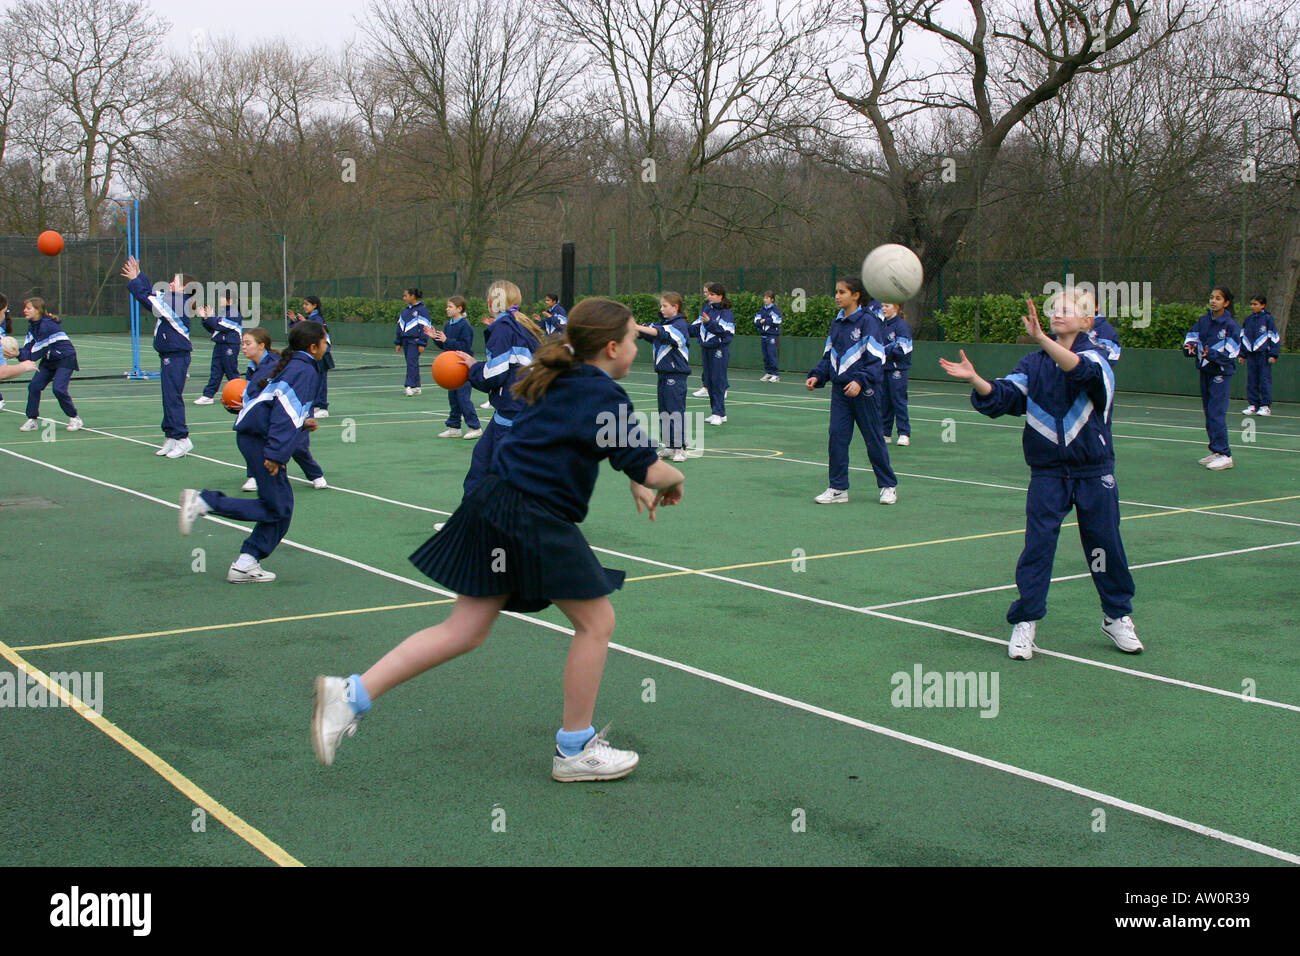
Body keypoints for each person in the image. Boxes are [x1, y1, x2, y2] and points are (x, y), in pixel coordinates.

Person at [310, 298, 685, 780]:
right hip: (533, 515)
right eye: (634, 338)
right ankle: (575, 749)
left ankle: (350, 695)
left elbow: (600, 446)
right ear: (612, 347)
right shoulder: (600, 393)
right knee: (597, 623)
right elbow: (650, 466)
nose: (638, 346)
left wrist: (637, 473)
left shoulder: (556, 374)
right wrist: (672, 479)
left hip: (493, 504)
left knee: (464, 629)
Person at [940, 291, 1139, 660]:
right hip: (1048, 474)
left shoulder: (1098, 357)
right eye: (1054, 309)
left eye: (1068, 310)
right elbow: (1004, 398)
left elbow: (1082, 372)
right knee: (1038, 547)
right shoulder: (1033, 364)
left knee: (1104, 546)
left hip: (1094, 472)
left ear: (1086, 322)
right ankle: (1026, 622)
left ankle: (1116, 616)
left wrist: (1043, 340)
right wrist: (976, 380)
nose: (1058, 314)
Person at [178, 322, 328, 583]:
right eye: (325, 341)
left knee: (279, 507)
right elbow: (282, 413)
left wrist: (302, 422)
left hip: (257, 437)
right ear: (313, 346)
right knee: (278, 508)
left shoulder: (294, 365)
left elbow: (274, 403)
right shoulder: (304, 370)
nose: (327, 346)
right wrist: (275, 454)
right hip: (262, 442)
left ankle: (246, 563)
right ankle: (205, 502)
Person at [806, 278, 898, 505]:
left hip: (865, 393)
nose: (837, 296)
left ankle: (888, 486)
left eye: (842, 292)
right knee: (837, 438)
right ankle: (838, 488)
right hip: (840, 393)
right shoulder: (837, 323)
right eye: (836, 292)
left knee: (874, 439)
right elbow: (829, 357)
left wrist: (861, 382)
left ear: (856, 295)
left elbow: (876, 359)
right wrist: (818, 375)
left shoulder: (869, 322)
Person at [458, 280, 542, 499]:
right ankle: (471, 520)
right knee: (483, 464)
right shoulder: (522, 327)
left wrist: (473, 367)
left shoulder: (503, 330)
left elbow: (494, 375)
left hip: (515, 414)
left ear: (489, 302)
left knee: (503, 474)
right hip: (518, 412)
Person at [237, 327, 327, 492]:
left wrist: (305, 420)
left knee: (298, 447)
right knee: (276, 505)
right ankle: (252, 478)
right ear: (313, 347)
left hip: (266, 426)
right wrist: (275, 454)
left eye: (248, 343)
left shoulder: (288, 366)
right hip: (258, 429)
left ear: (261, 345)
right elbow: (277, 407)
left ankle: (315, 474)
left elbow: (286, 404)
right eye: (243, 343)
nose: (244, 347)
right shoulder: (300, 369)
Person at [122, 256, 195, 457]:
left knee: (173, 397)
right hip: (169, 356)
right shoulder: (173, 299)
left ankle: (183, 438)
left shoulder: (178, 302)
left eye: (175, 282)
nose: (170, 283)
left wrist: (135, 280)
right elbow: (152, 293)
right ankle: (171, 436)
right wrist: (139, 275)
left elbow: (148, 299)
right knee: (168, 397)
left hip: (177, 356)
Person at [1182, 287, 1241, 470]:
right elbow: (1191, 338)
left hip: (1221, 374)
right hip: (1205, 372)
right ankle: (1216, 450)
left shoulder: (1230, 325)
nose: (1213, 301)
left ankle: (1225, 454)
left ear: (1226, 303)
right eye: (1211, 297)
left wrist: (1211, 354)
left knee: (1217, 413)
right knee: (1209, 413)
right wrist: (1190, 347)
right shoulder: (1203, 320)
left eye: (1218, 298)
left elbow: (1231, 352)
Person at [636, 292, 691, 462]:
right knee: (664, 411)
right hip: (663, 374)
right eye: (661, 306)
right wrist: (632, 327)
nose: (662, 309)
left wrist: (636, 326)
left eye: (665, 306)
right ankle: (669, 445)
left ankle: (680, 447)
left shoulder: (679, 325)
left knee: (675, 410)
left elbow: (663, 334)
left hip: (676, 375)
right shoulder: (662, 324)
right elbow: (650, 332)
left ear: (676, 307)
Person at [16, 298, 82, 432]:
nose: (24, 310)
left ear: (38, 310)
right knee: (34, 386)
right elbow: (29, 347)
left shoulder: (47, 326)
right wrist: (16, 352)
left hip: (65, 358)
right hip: (49, 358)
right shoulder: (32, 325)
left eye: (28, 308)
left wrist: (16, 354)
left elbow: (35, 352)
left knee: (58, 389)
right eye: (25, 308)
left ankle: (75, 418)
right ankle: (32, 420)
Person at [430, 295, 482, 439]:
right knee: (453, 397)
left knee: (463, 398)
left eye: (450, 307)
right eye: (447, 306)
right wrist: (435, 337)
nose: (447, 309)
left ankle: (475, 426)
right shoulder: (448, 325)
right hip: (451, 368)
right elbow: (445, 345)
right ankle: (454, 427)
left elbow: (464, 347)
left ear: (459, 309)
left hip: (463, 367)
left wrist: (448, 340)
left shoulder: (465, 326)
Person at [690, 282, 734, 425]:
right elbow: (698, 324)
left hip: (719, 350)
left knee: (717, 381)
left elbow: (725, 331)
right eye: (708, 294)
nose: (708, 297)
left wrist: (709, 323)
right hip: (706, 348)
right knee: (708, 381)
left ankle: (718, 413)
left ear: (720, 296)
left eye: (712, 294)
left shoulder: (726, 312)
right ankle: (717, 413)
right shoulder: (707, 308)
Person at [194, 290, 243, 406]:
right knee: (215, 371)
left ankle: (241, 394)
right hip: (220, 345)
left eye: (222, 298)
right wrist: (205, 318)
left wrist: (210, 317)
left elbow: (220, 325)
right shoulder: (223, 312)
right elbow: (213, 329)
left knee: (231, 371)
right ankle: (208, 395)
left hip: (230, 345)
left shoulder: (234, 313)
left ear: (230, 300)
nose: (219, 300)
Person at [289, 296, 333, 417]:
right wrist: (295, 322)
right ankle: (315, 405)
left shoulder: (317, 319)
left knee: (321, 381)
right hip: (314, 353)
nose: (304, 306)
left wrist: (304, 323)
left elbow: (315, 332)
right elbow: (301, 332)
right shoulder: (310, 319)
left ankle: (322, 407)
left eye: (307, 304)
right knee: (313, 380)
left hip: (322, 354)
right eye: (304, 304)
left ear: (314, 306)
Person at [1239, 295, 1279, 416]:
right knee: (1251, 381)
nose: (1252, 306)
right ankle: (1253, 405)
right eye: (1251, 304)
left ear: (1263, 305)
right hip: (1251, 355)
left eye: (1255, 304)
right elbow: (1243, 337)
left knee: (1264, 380)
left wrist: (1273, 354)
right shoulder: (1248, 319)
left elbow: (1274, 337)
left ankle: (1265, 406)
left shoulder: (1268, 319)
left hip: (1263, 355)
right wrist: (1242, 354)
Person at [879, 302, 913, 446]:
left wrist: (883, 351)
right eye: (882, 306)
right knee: (884, 402)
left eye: (887, 306)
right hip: (883, 369)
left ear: (896, 307)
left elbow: (902, 349)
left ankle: (904, 433)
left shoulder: (902, 326)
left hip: (897, 369)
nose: (883, 309)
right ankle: (886, 433)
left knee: (898, 401)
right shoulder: (881, 325)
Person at [394, 288, 433, 395]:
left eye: (406, 296)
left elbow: (425, 327)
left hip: (415, 342)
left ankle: (409, 385)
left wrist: (422, 342)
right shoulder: (405, 311)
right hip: (406, 341)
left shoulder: (422, 310)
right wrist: (398, 342)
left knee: (412, 363)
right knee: (412, 363)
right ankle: (416, 386)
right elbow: (399, 327)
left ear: (413, 296)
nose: (404, 298)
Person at [754, 291, 782, 381]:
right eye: (764, 298)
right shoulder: (762, 310)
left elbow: (777, 321)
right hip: (764, 336)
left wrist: (764, 320)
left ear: (772, 299)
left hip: (772, 336)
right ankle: (769, 373)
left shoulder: (775, 310)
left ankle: (776, 374)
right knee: (765, 356)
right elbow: (756, 321)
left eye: (767, 298)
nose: (764, 300)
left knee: (772, 354)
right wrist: (761, 321)